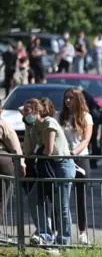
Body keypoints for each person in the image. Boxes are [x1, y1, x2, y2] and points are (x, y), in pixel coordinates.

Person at [23, 98, 75, 245]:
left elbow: (48, 150)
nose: (24, 114)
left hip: (62, 166)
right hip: (48, 167)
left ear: (36, 110)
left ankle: (63, 241)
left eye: (27, 111)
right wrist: (27, 128)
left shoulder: (49, 122)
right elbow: (27, 151)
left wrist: (38, 152)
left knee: (61, 205)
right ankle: (45, 234)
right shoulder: (34, 127)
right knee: (34, 199)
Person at [59, 88, 93, 244]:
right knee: (61, 197)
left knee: (81, 197)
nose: (67, 100)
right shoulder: (60, 116)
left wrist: (74, 152)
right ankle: (59, 232)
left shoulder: (86, 117)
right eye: (66, 98)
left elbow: (86, 140)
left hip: (80, 158)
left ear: (78, 99)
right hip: (63, 160)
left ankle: (82, 232)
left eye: (71, 98)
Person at [0, 104, 25, 226]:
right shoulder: (3, 124)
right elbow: (15, 148)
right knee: (1, 198)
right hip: (3, 163)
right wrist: (21, 164)